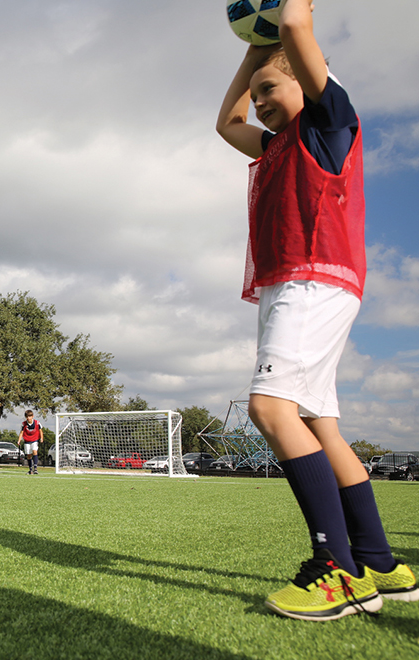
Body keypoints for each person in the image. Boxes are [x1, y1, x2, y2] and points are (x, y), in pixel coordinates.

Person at [216, 0, 416, 620]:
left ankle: (339, 571)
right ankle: (383, 562)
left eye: (271, 87)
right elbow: (226, 123)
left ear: (307, 77)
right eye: (258, 93)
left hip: (313, 283)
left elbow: (299, 27)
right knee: (322, 425)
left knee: (270, 409)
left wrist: (284, 23)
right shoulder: (273, 145)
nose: (261, 101)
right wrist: (255, 48)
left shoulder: (329, 122)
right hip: (294, 287)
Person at [17, 410, 42, 475]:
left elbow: (40, 431)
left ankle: (35, 468)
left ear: (32, 416)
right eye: (27, 416)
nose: (29, 418)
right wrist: (19, 440)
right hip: (27, 441)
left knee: (35, 451)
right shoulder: (24, 424)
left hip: (35, 440)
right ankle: (30, 469)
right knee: (29, 455)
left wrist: (41, 438)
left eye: (30, 416)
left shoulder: (37, 423)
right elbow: (21, 432)